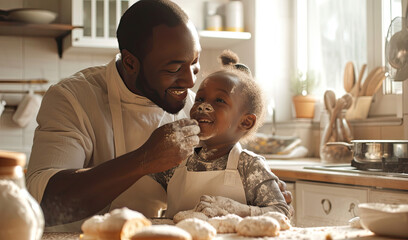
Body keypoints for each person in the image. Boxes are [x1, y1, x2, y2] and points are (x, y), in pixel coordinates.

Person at [25, 0, 292, 232]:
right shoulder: (72, 99)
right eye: (174, 68)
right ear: (130, 62)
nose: (189, 82)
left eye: (194, 64)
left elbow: (216, 165)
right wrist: (144, 160)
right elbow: (44, 202)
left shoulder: (192, 105)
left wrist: (255, 187)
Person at [152, 50, 292, 219]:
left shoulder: (250, 166)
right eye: (200, 99)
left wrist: (236, 209)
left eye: (219, 101)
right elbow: (138, 190)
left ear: (246, 122)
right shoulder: (178, 158)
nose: (203, 107)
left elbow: (282, 213)